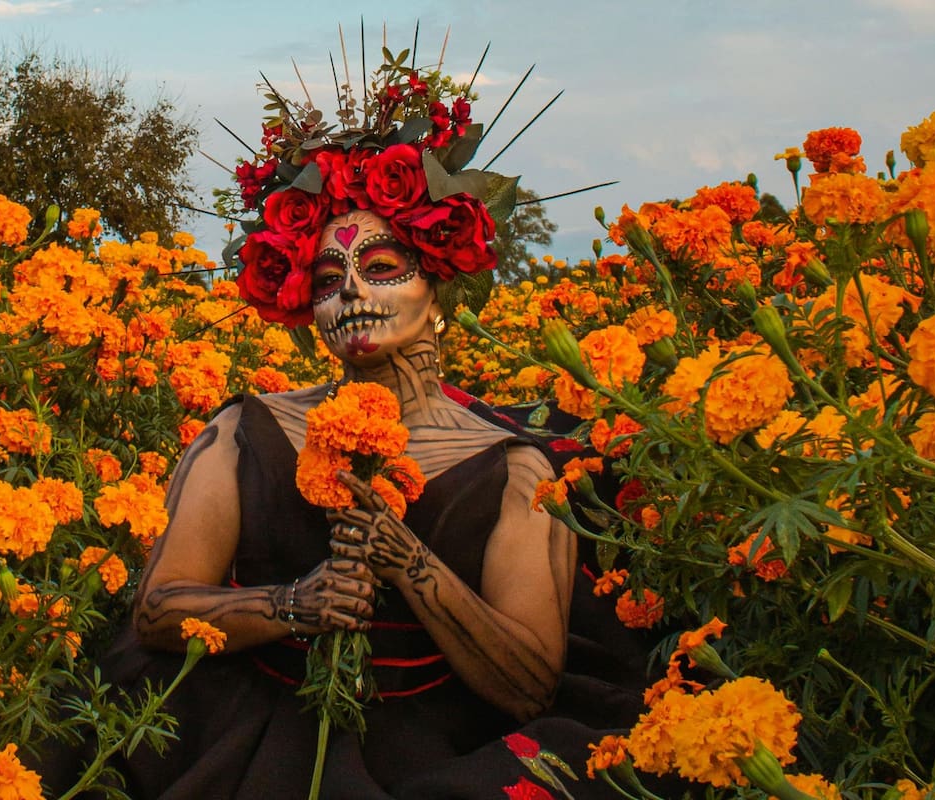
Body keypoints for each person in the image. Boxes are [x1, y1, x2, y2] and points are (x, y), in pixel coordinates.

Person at [41, 42, 664, 800]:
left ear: (438, 288)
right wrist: (292, 604)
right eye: (329, 278)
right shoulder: (245, 430)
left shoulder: (518, 468)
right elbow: (157, 609)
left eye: (382, 268)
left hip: (437, 748)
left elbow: (529, 684)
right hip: (245, 727)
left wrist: (410, 563)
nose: (349, 297)